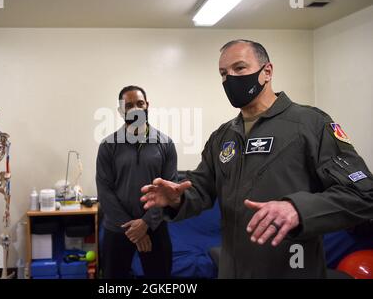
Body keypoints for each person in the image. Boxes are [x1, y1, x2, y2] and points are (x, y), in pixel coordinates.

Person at [141, 40, 373, 278]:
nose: (230, 78)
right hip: (233, 269)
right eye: (223, 73)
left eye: (239, 68)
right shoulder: (222, 136)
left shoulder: (310, 124)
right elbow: (201, 189)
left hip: (292, 267)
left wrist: (298, 209)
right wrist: (176, 199)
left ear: (267, 72)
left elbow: (363, 194)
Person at [96, 85, 177, 278]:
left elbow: (169, 191)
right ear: (120, 111)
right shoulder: (108, 146)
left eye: (140, 104)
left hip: (155, 226)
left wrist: (146, 223)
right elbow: (104, 191)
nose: (135, 109)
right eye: (129, 105)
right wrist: (134, 229)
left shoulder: (165, 144)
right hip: (117, 229)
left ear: (147, 105)